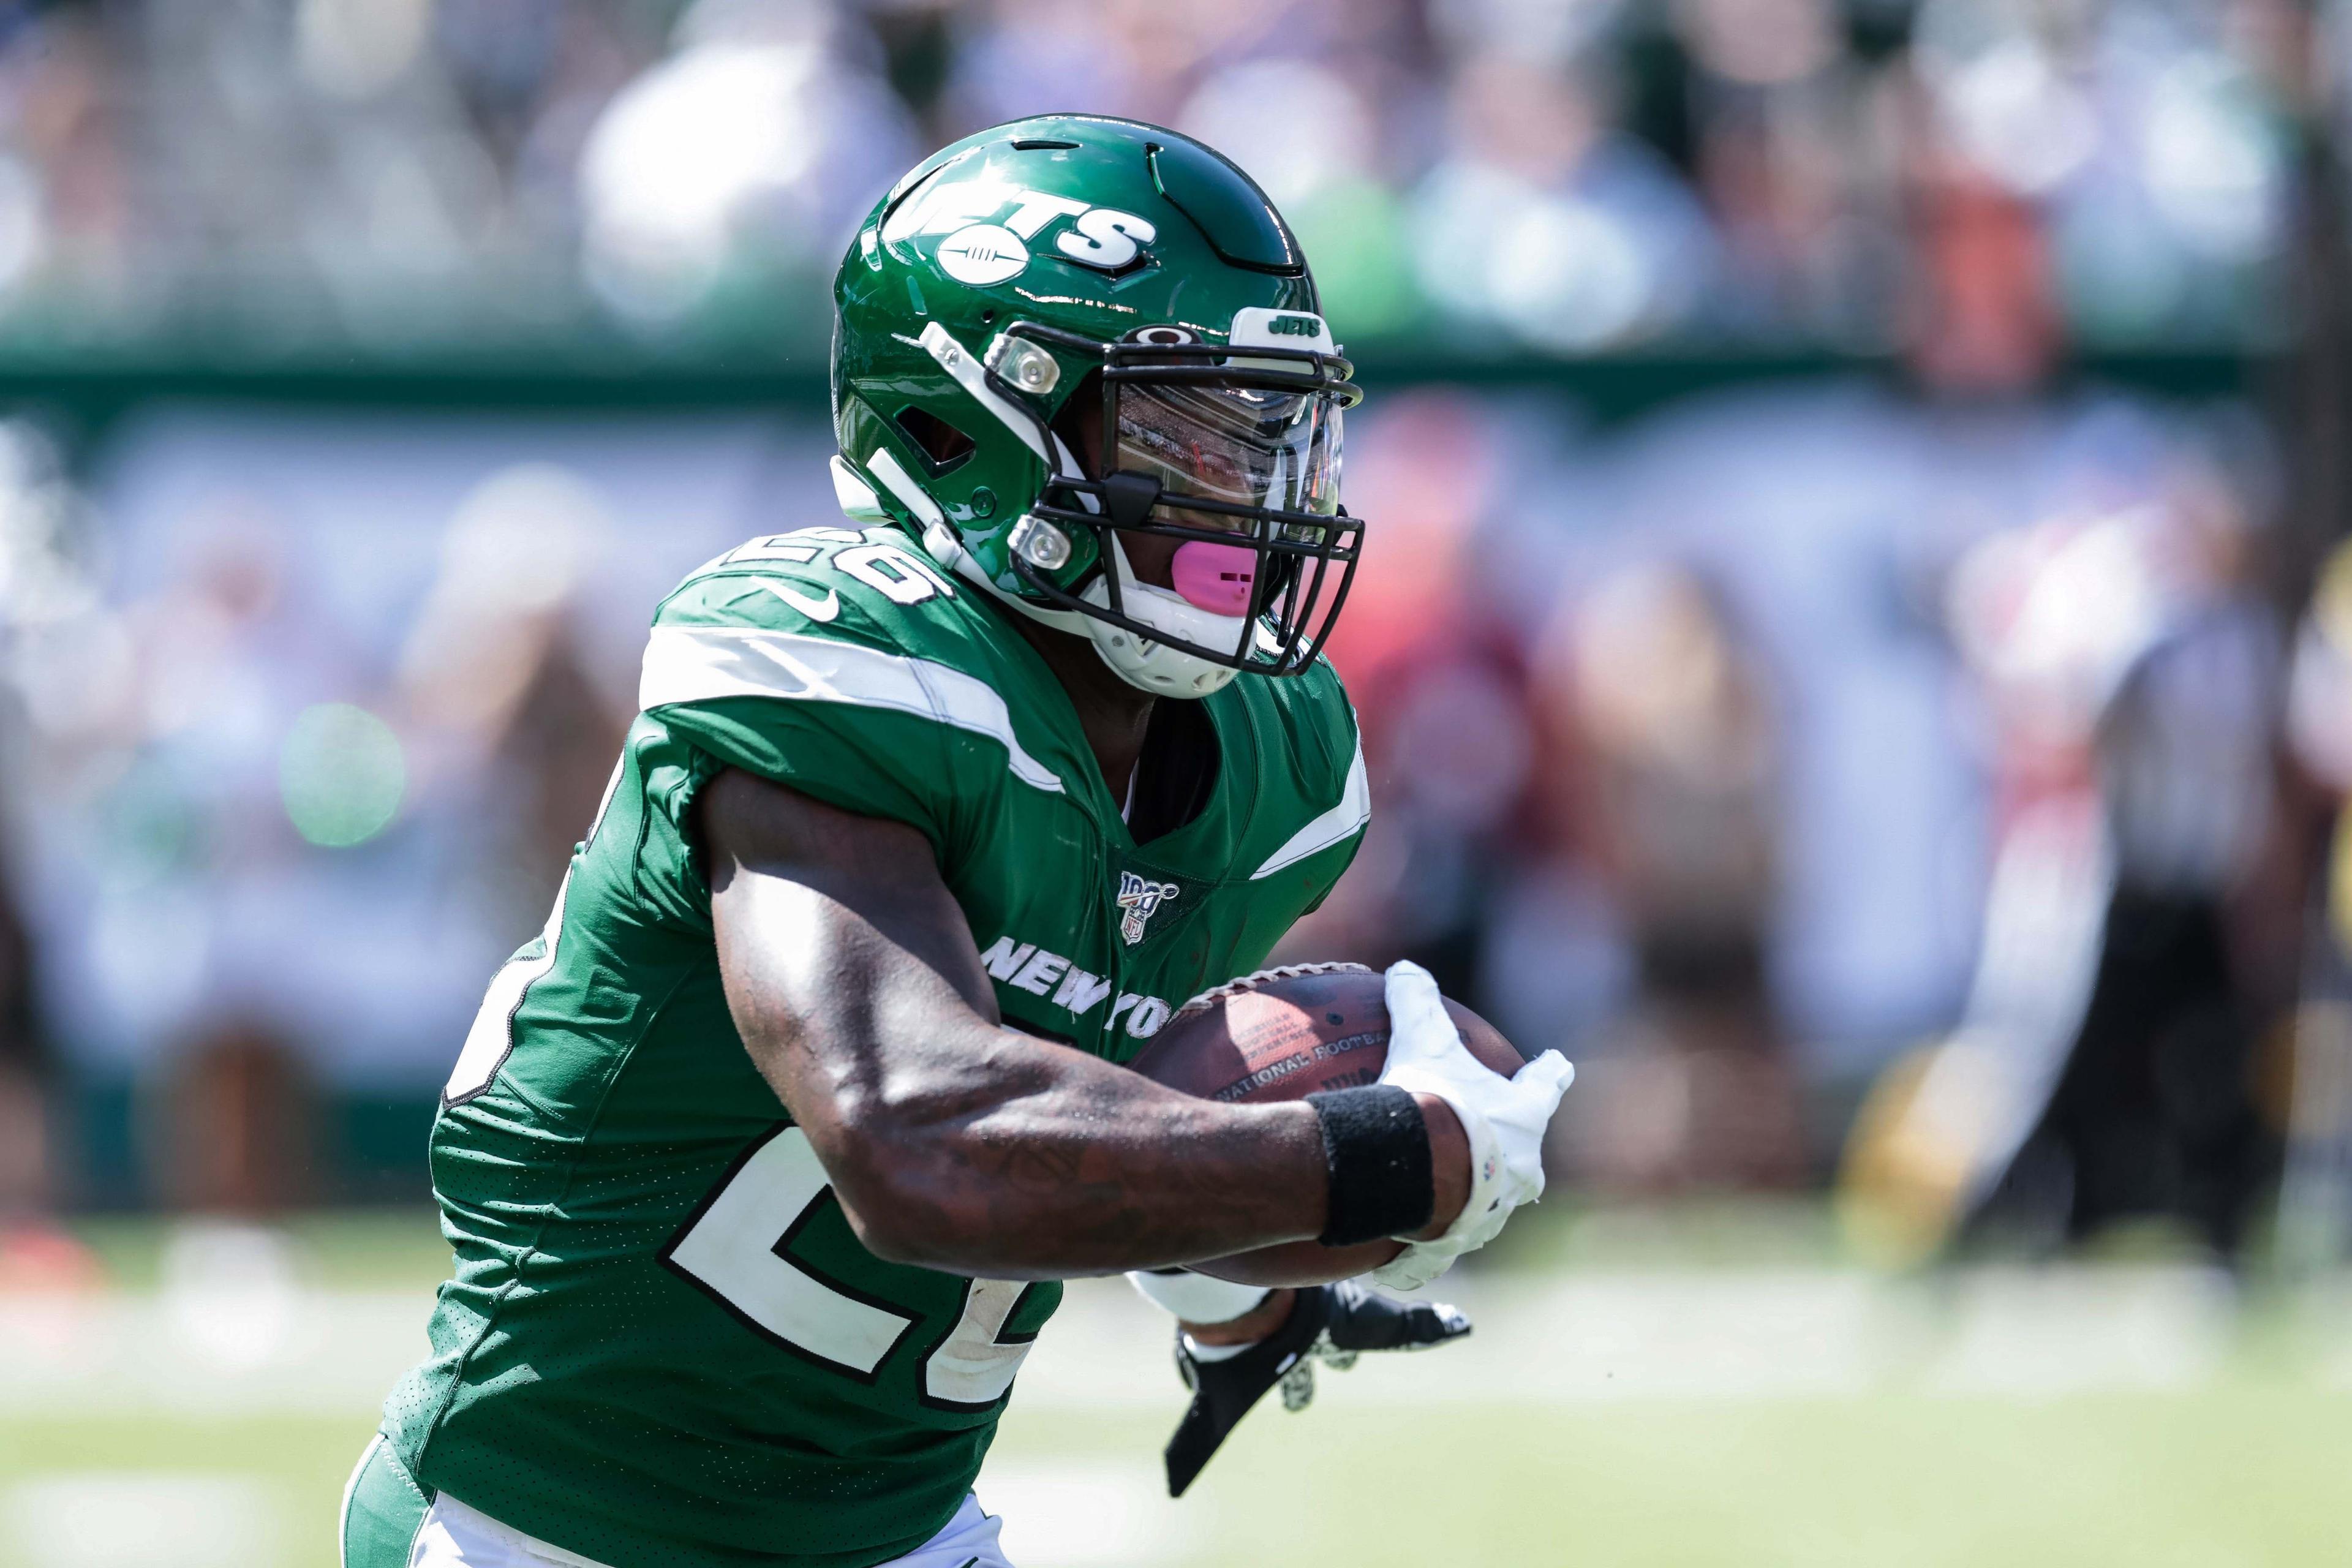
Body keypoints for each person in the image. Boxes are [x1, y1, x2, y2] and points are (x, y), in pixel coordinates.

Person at [347, 116, 1574, 1568]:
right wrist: (1372, 1155)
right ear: (958, 424)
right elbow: (915, 1131)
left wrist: (1232, 1278)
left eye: (1276, 432)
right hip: (551, 1525)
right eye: (1191, 430)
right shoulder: (841, 660)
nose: (1253, 492)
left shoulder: (1272, 761)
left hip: (906, 1525)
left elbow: (1103, 1079)